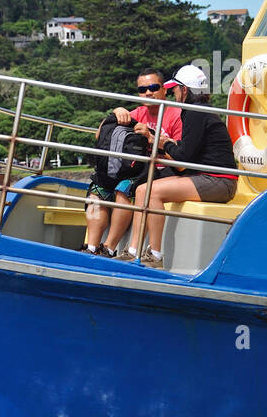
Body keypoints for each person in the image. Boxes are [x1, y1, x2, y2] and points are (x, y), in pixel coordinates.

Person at [117, 65, 237, 269]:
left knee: (152, 192)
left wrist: (160, 141)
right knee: (141, 189)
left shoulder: (194, 113)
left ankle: (154, 255)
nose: (173, 93)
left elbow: (184, 155)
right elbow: (188, 152)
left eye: (175, 89)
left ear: (185, 90)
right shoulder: (199, 112)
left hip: (219, 181)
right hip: (211, 177)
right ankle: (133, 251)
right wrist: (161, 143)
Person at [80, 69, 183, 257]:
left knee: (124, 188)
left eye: (153, 87)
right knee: (97, 191)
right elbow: (99, 135)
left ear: (164, 90)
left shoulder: (177, 116)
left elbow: (181, 157)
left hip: (161, 170)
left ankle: (109, 247)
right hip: (134, 168)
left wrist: (151, 138)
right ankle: (92, 247)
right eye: (142, 89)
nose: (148, 93)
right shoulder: (136, 113)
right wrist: (114, 114)